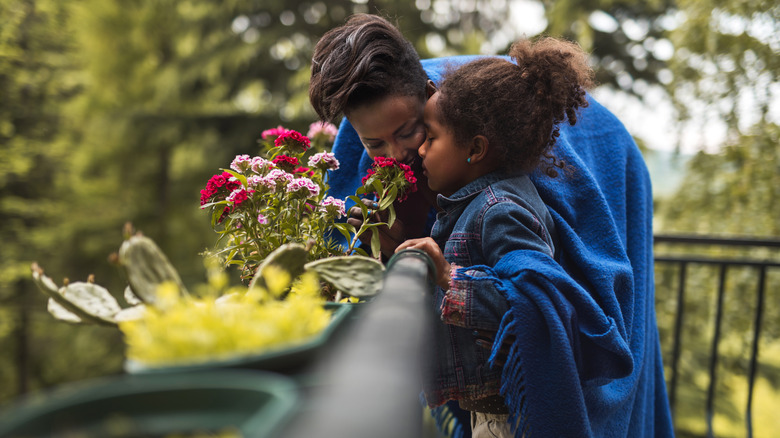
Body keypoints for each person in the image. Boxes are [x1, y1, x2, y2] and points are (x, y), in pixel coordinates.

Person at [309, 13, 674, 438]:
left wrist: (451, 276)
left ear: (431, 96)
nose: (395, 154)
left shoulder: (507, 178)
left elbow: (553, 292)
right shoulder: (360, 141)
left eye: (410, 131)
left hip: (604, 144)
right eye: (375, 144)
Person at [393, 36, 592, 436]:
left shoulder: (498, 209)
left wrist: (449, 275)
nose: (420, 151)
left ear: (476, 148)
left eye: (430, 137)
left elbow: (533, 301)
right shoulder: (480, 201)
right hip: (489, 406)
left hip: (506, 415)